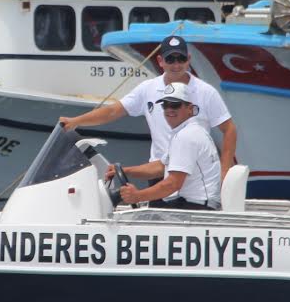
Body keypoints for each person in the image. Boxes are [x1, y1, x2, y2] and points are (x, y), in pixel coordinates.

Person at [59, 34, 237, 172]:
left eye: (181, 59)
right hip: (158, 171)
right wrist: (76, 121)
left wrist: (224, 171)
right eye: (170, 59)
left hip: (194, 174)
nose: (176, 64)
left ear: (189, 60)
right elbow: (113, 111)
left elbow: (229, 129)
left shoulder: (206, 92)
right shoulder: (147, 89)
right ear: (160, 61)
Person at [117, 82, 221, 209]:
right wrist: (125, 171)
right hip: (196, 205)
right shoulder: (192, 130)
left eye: (175, 105)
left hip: (195, 209)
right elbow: (161, 166)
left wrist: (137, 196)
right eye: (165, 105)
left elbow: (173, 184)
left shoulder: (186, 136)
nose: (169, 110)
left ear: (189, 108)